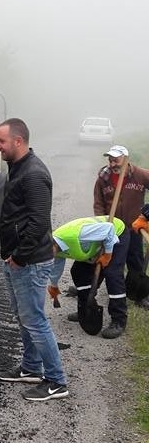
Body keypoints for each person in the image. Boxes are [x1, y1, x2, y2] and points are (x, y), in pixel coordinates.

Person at [0, 119, 68, 402]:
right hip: (15, 259)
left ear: (18, 141)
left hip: (29, 262)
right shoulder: (17, 168)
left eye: (1, 141)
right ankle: (30, 367)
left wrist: (20, 257)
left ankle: (57, 381)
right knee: (23, 317)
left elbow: (38, 222)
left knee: (35, 320)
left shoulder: (34, 174)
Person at [47, 216, 128, 338]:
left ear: (52, 244)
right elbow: (56, 266)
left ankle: (119, 320)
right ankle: (87, 310)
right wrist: (54, 285)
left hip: (116, 234)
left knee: (112, 274)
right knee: (78, 271)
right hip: (96, 242)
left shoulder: (75, 235)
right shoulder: (55, 248)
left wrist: (108, 254)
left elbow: (109, 229)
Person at [94, 145, 149, 308]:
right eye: (110, 160)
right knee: (107, 260)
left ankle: (139, 295)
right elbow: (98, 204)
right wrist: (102, 224)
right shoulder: (103, 178)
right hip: (113, 229)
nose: (112, 164)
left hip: (133, 228)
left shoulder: (140, 175)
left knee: (136, 261)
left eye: (116, 160)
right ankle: (91, 289)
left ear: (126, 159)